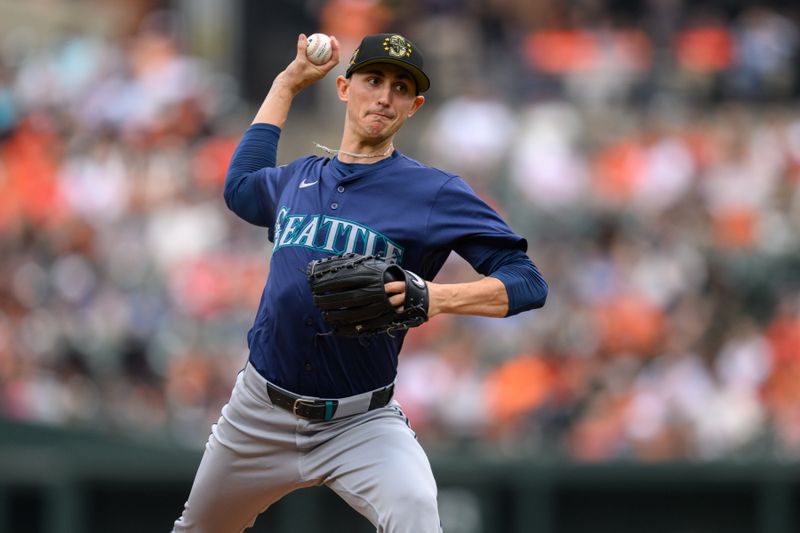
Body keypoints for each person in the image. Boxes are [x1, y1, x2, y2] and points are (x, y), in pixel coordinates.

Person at [172, 32, 548, 533]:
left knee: (415, 514)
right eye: (374, 80)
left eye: (399, 88)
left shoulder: (433, 192)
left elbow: (527, 281)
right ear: (345, 88)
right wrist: (287, 84)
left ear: (413, 107)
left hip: (361, 421)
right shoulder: (299, 178)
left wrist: (433, 296)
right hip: (258, 412)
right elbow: (240, 187)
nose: (384, 96)